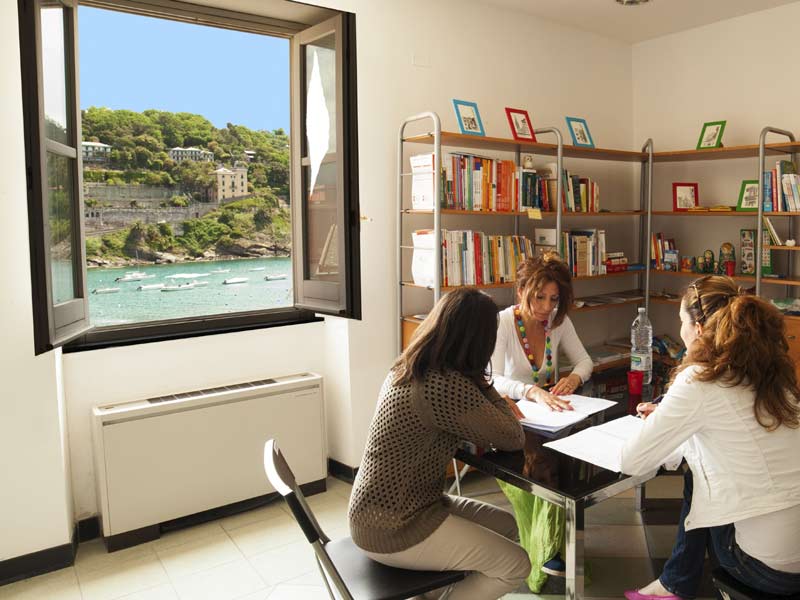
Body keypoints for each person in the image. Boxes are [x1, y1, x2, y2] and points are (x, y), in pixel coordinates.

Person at [621, 275, 800, 599]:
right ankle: (674, 582)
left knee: (699, 476)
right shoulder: (771, 372)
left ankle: (675, 584)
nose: (680, 331)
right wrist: (679, 420)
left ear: (700, 329)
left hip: (768, 569)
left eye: (681, 322)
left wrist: (670, 422)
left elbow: (631, 462)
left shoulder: (699, 378)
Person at [348, 287, 531, 600]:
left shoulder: (413, 365)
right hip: (394, 525)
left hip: (386, 510)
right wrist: (485, 382)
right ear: (478, 341)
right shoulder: (443, 385)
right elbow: (513, 437)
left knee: (505, 524)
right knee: (516, 565)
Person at [490, 252, 593, 589]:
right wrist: (531, 391)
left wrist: (573, 378)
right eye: (539, 297)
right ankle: (546, 549)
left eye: (553, 298)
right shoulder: (503, 322)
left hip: (547, 416)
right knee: (541, 463)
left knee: (574, 455)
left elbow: (585, 362)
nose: (547, 307)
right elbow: (493, 378)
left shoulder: (558, 322)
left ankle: (555, 543)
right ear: (521, 291)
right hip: (510, 416)